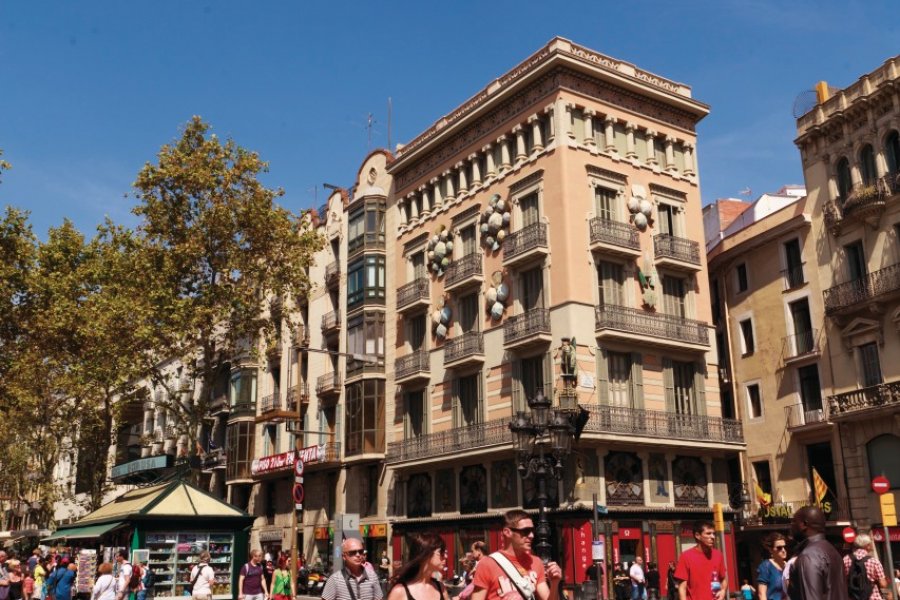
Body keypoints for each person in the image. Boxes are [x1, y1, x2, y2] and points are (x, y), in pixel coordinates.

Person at [470, 509, 563, 600]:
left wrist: (555, 583)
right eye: (525, 531)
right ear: (507, 532)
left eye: (532, 530)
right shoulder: (487, 564)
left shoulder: (536, 562)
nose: (531, 535)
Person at [787, 506, 847, 600]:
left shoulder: (808, 556)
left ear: (804, 524)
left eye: (794, 522)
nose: (791, 526)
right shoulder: (833, 552)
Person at [386, 532, 450, 600]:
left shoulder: (441, 587)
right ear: (426, 554)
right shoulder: (400, 591)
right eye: (441, 552)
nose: (446, 556)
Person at [673, 520, 727, 600]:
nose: (713, 537)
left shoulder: (718, 555)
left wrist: (723, 592)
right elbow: (682, 588)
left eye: (713, 534)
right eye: (708, 533)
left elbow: (723, 579)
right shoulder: (686, 556)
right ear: (697, 535)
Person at [842, 533, 887, 600]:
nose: (872, 545)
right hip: (872, 597)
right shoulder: (874, 561)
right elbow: (883, 584)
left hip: (852, 597)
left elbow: (842, 580)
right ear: (867, 546)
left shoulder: (845, 559)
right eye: (871, 543)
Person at [757, 533, 787, 600]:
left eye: (784, 547)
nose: (783, 550)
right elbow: (761, 594)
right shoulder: (766, 566)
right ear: (771, 550)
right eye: (779, 548)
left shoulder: (789, 566)